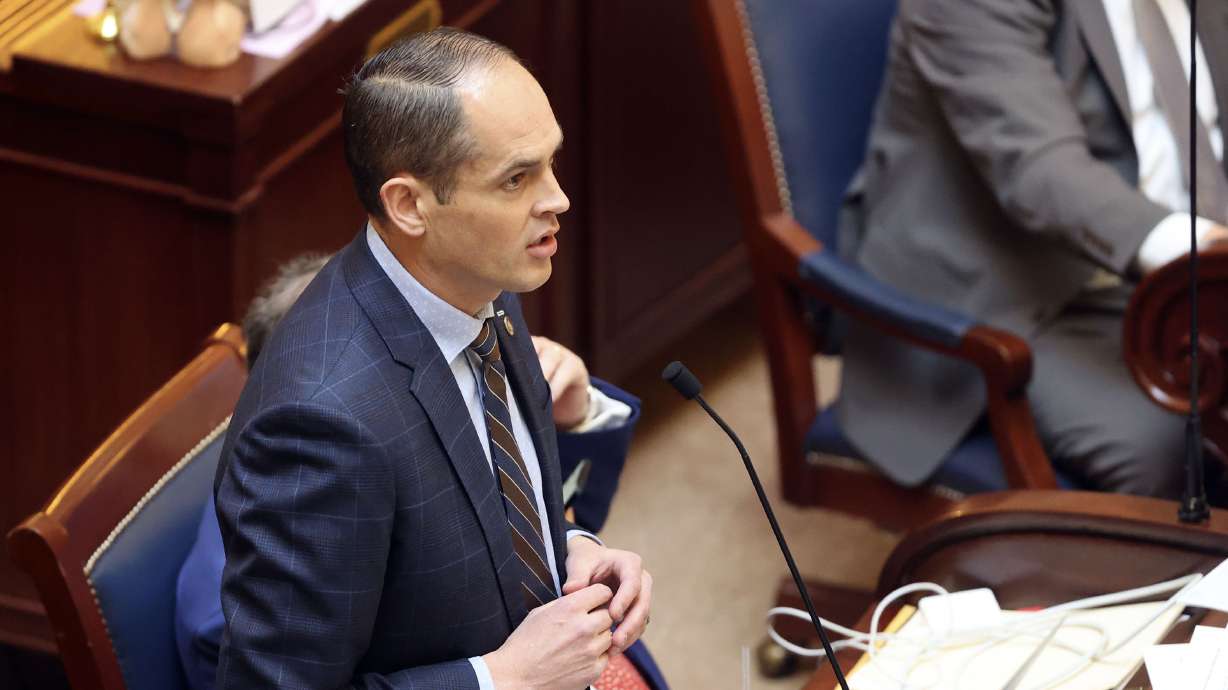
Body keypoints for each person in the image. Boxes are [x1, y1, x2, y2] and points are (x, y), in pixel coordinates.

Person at [211, 29, 652, 689]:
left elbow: (487, 499)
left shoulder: (477, 274)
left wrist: (574, 551)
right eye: (517, 178)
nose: (556, 199)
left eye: (550, 164)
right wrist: (501, 679)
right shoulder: (319, 424)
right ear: (410, 205)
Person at [175, 254, 658, 689]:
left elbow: (465, 527)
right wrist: (502, 680)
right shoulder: (223, 619)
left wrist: (574, 543)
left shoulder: (387, 432)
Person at [837, 0, 1228, 497]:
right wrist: (1213, 253)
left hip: (1151, 264)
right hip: (1007, 295)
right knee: (1174, 439)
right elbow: (1041, 173)